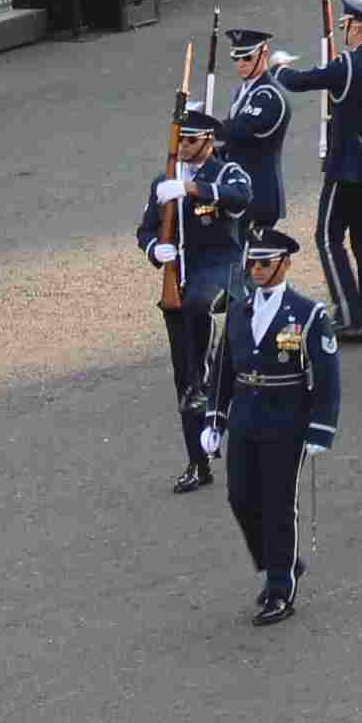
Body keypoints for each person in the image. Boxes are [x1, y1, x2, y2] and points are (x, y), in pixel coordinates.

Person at [213, 228, 340, 626]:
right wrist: (215, 419)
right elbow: (223, 368)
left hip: (287, 420)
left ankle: (280, 588)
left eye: (264, 263)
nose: (256, 270)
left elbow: (327, 375)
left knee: (279, 503)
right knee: (240, 497)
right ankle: (279, 560)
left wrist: (321, 428)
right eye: (252, 263)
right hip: (245, 417)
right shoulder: (239, 310)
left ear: (285, 264)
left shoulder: (307, 313)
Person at [138, 102, 258, 495]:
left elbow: (241, 197)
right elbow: (145, 229)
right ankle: (198, 461)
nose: (185, 147)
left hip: (222, 271)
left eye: (192, 141)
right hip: (180, 279)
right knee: (183, 381)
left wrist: (192, 188)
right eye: (181, 141)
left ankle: (206, 381)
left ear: (209, 141)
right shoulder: (164, 180)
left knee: (200, 312)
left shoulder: (226, 172)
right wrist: (155, 249)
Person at [276, 0, 362, 341]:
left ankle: (349, 314)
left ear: (354, 27)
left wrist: (278, 67)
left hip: (346, 165)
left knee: (327, 237)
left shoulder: (347, 64)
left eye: (345, 24)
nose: (343, 29)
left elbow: (299, 81)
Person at [215, 27, 294, 237]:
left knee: (250, 255)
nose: (241, 63)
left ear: (263, 53)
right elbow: (236, 144)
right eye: (236, 58)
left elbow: (240, 130)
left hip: (259, 193)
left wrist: (205, 128)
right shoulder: (245, 91)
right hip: (242, 190)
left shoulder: (269, 95)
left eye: (247, 57)